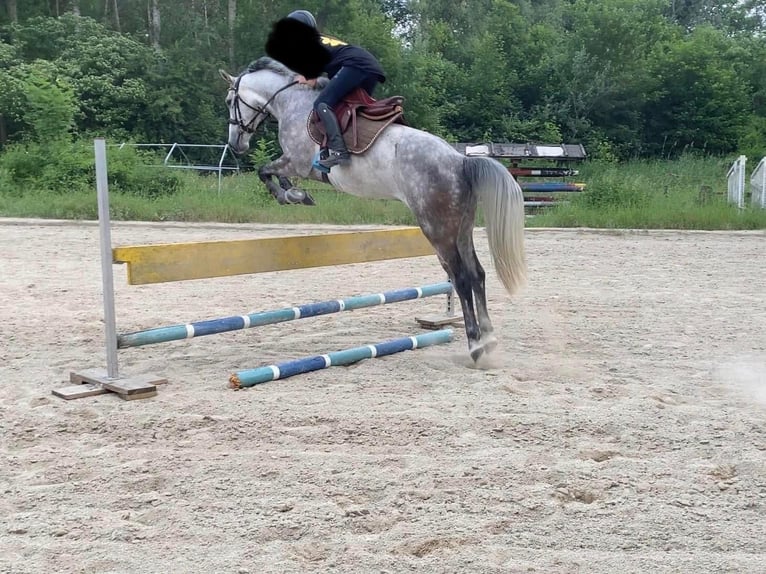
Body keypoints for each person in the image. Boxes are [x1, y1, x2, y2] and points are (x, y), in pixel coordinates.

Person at [266, 10, 386, 169]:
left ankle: (339, 152)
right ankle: (358, 147)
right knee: (347, 107)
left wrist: (302, 79)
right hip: (370, 67)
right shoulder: (320, 40)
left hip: (355, 66)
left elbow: (311, 80)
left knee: (321, 104)